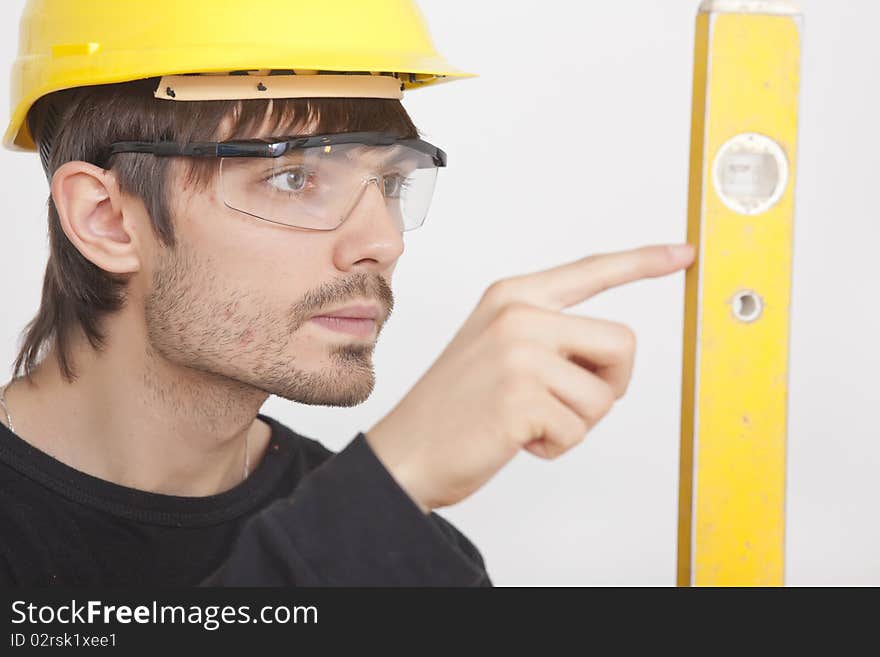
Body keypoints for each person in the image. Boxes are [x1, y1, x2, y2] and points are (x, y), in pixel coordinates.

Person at [0, 0, 695, 587]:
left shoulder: (411, 564)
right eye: (295, 177)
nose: (382, 242)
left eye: (392, 183)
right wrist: (387, 486)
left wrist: (378, 506)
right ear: (107, 219)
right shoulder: (371, 525)